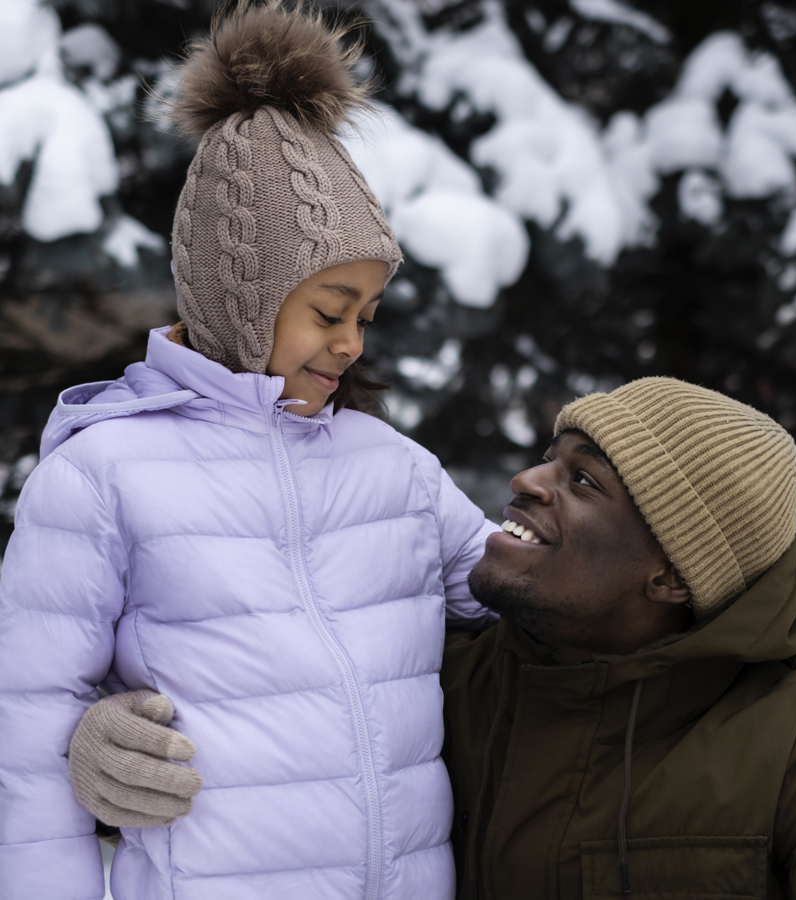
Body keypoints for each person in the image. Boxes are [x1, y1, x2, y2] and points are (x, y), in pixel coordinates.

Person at [0, 4, 495, 900]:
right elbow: (23, 735)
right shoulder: (104, 476)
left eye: (365, 319)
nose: (350, 343)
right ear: (240, 295)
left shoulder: (394, 471)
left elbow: (526, 597)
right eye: (328, 310)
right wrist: (85, 741)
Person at [69, 378, 796, 899]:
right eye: (550, 457)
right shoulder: (439, 684)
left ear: (672, 574)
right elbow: (266, 762)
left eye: (582, 482)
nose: (527, 481)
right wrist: (112, 750)